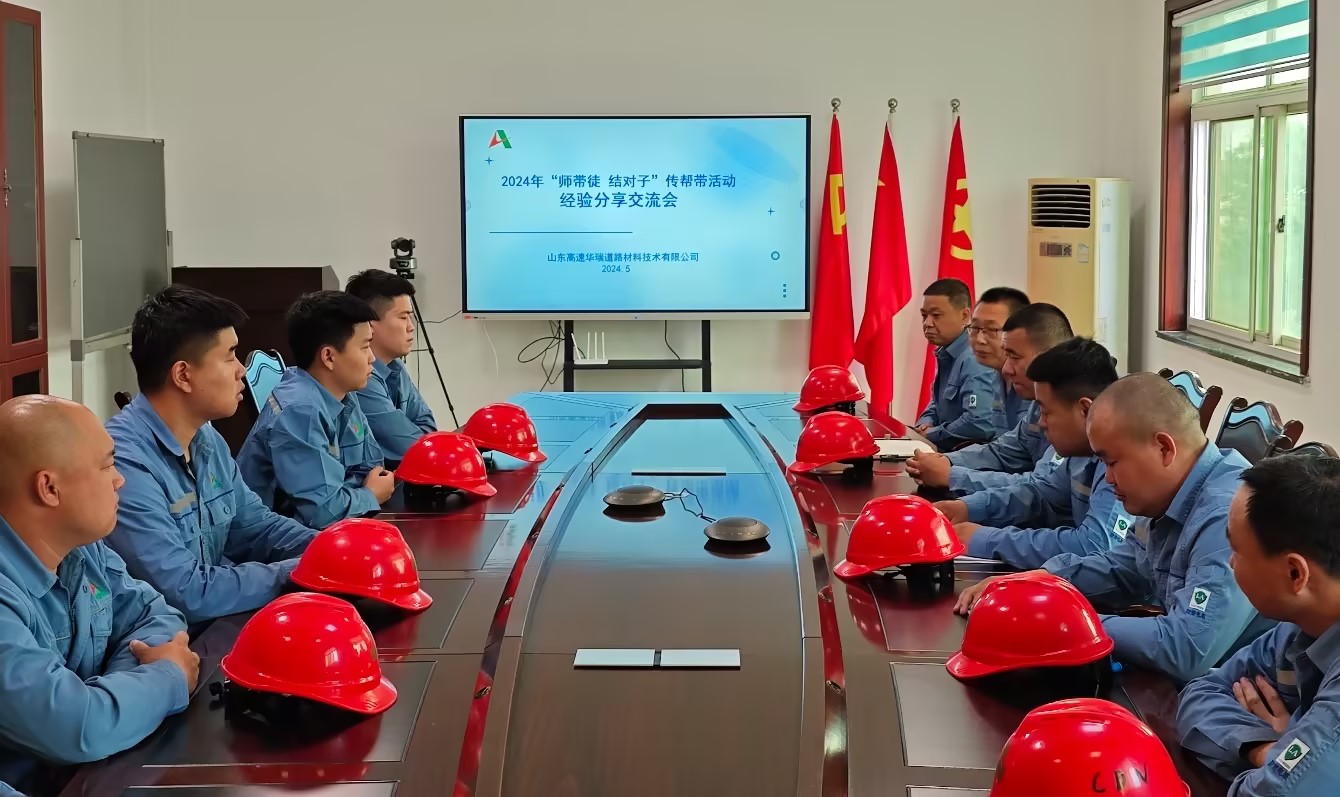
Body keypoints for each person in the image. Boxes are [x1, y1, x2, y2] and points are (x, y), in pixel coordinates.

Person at [954, 373, 1273, 683]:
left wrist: (1063, 619)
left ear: (1164, 448)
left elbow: (1186, 649)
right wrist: (1044, 584)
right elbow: (1126, 566)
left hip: (1235, 697)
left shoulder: (1226, 514)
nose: (1107, 479)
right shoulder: (1165, 493)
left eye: (1112, 462)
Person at [0, 396, 198, 791]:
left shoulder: (80, 548)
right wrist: (167, 675)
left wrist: (110, 699)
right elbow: (75, 727)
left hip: (96, 773)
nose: (119, 479)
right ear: (49, 488)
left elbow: (155, 614)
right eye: (107, 465)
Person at [106, 286, 318, 624]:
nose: (242, 370)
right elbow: (186, 592)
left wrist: (332, 549)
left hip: (217, 624)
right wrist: (301, 570)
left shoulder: (205, 438)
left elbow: (255, 529)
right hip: (174, 640)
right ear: (183, 375)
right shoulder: (124, 465)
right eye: (230, 355)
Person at [1177, 454, 1337, 795]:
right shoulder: (1300, 624)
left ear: (1294, 573)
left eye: (1236, 549)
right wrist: (1265, 749)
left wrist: (1290, 756)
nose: (1231, 562)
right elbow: (1202, 691)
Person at [934, 338, 1123, 569]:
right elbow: (1040, 495)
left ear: (1085, 409)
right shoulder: (1079, 448)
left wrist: (988, 539)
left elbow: (1092, 546)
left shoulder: (1120, 459)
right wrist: (968, 507)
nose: (1041, 423)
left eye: (1046, 412)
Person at [237, 291, 394, 529]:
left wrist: (353, 494)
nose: (372, 358)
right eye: (364, 347)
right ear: (329, 357)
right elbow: (324, 514)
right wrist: (369, 495)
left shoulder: (342, 392)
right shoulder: (300, 410)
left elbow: (373, 467)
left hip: (326, 529)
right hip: (278, 541)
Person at [907, 302, 1073, 494]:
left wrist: (952, 476)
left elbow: (1042, 486)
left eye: (1015, 357)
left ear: (1049, 357)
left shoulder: (1077, 411)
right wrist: (946, 461)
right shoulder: (1038, 404)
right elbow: (1003, 451)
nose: (1006, 369)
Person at [346, 270, 437, 463]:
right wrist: (419, 439)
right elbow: (412, 448)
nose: (411, 326)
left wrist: (420, 439)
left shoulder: (395, 366)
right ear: (369, 323)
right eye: (403, 317)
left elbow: (427, 425)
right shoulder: (360, 378)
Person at [913, 278, 1005, 449]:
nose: (927, 323)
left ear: (964, 315)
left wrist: (932, 433)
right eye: (924, 315)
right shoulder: (948, 352)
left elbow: (978, 423)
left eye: (936, 315)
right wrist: (926, 423)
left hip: (973, 456)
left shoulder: (974, 358)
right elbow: (938, 404)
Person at [967, 287, 1031, 428]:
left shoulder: (1032, 383)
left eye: (991, 330)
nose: (979, 339)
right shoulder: (994, 376)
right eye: (975, 328)